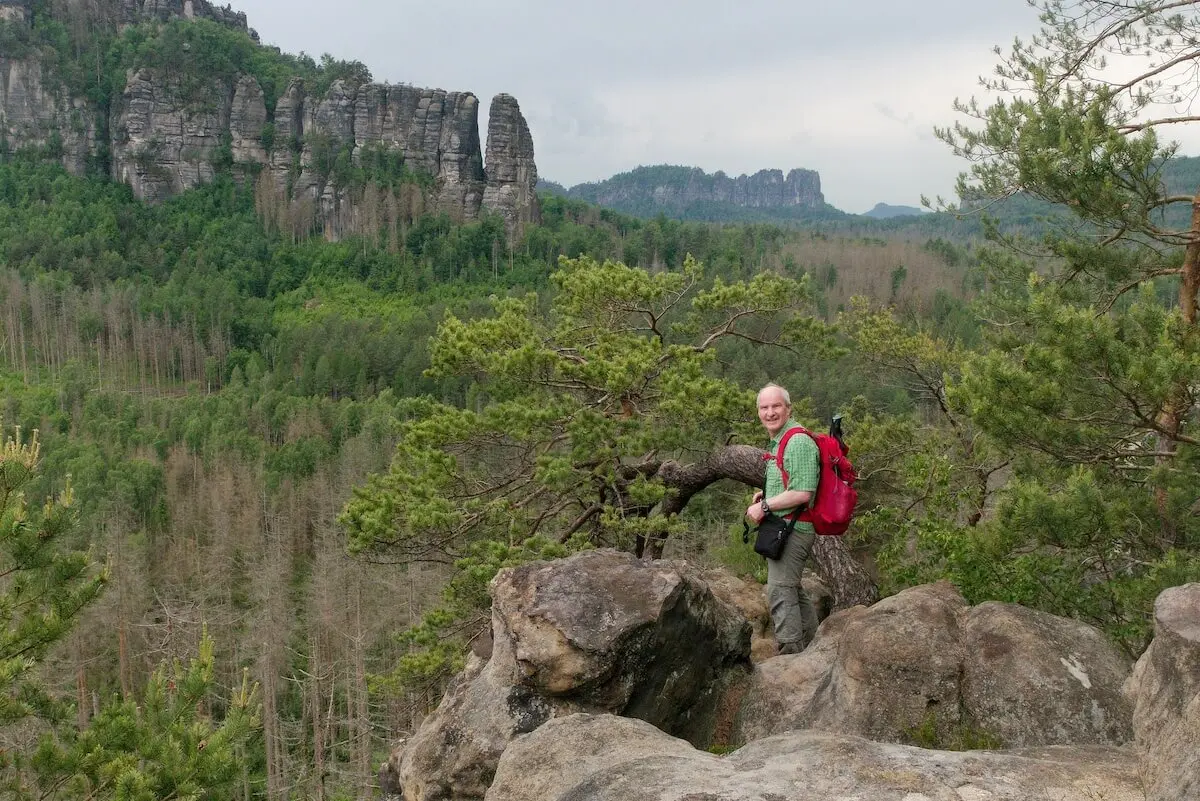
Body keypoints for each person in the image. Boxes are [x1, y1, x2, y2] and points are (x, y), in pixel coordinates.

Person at [745, 383, 820, 655]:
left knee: (779, 591)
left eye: (776, 406)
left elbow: (802, 492)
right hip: (784, 526)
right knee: (791, 589)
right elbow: (790, 481)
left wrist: (765, 507)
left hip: (793, 529)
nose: (770, 412)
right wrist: (767, 494)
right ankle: (815, 647)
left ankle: (791, 655)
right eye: (764, 407)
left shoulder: (797, 442)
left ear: (788, 408)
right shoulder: (781, 440)